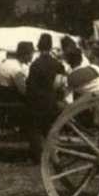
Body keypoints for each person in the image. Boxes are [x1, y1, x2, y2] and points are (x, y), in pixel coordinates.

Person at [26, 33, 66, 163]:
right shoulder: (57, 64)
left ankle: (37, 157)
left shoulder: (35, 65)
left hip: (37, 102)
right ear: (50, 47)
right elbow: (61, 84)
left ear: (38, 46)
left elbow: (30, 86)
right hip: (51, 101)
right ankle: (54, 155)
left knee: (34, 129)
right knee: (51, 128)